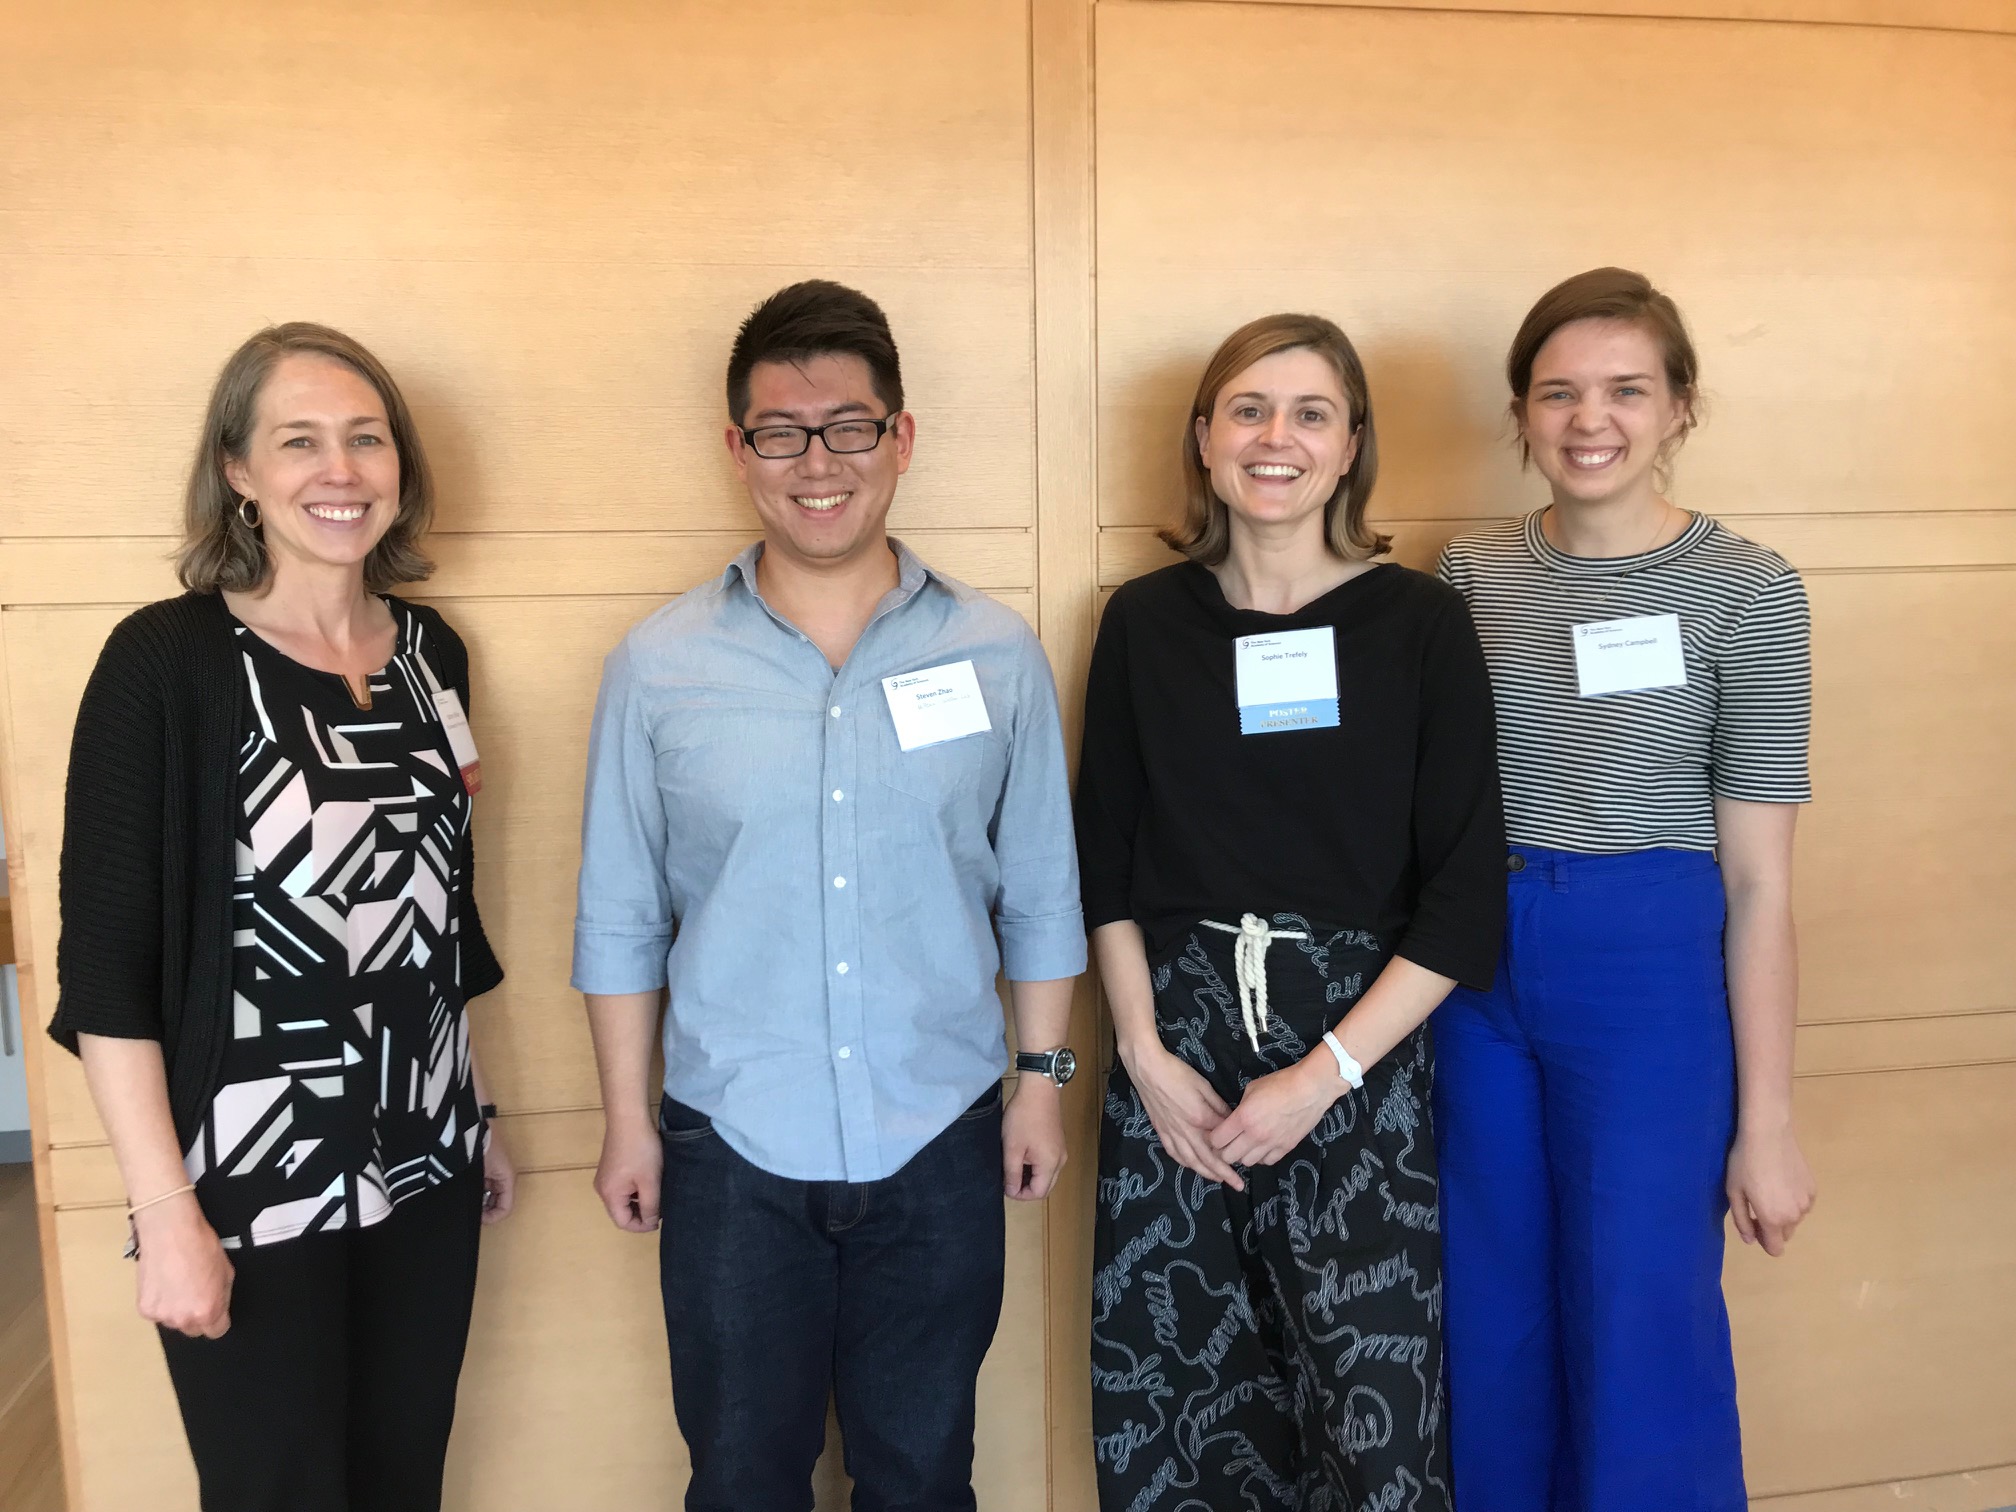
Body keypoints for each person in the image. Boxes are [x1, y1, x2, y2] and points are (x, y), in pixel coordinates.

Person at [573, 279, 1085, 1512]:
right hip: (733, 1148)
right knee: (743, 1479)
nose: (820, 462)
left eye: (850, 426)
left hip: (944, 1134)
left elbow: (1044, 896)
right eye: (782, 432)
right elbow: (621, 913)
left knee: (922, 1478)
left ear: (900, 441)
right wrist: (630, 1122)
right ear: (737, 450)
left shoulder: (997, 653)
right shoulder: (658, 665)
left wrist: (1041, 1087)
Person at [48, 322, 513, 1512]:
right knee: (281, 1492)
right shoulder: (167, 663)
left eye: (366, 439)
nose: (340, 471)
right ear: (239, 471)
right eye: (298, 441)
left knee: (405, 1478)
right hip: (251, 1171)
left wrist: (475, 1112)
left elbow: (439, 918)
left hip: (428, 1153)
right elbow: (106, 972)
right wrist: (164, 1211)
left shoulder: (432, 658)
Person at [1077, 312, 1504, 1512]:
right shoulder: (1145, 622)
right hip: (1176, 1062)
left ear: (1352, 443)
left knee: (1372, 1426)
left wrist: (1323, 1074)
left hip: (1361, 1059)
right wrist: (1145, 1057)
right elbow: (1101, 861)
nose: (1278, 437)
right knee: (1177, 1414)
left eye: (1311, 413)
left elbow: (1464, 898)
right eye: (1249, 410)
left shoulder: (1421, 625)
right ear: (1204, 439)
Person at [1434, 267, 1818, 1512]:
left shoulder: (1750, 589)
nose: (1588, 420)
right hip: (1476, 958)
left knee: (1640, 1301)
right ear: (1521, 413)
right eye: (1558, 393)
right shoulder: (1469, 576)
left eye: (1624, 391)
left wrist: (1768, 1122)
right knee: (1488, 1300)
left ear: (1680, 409)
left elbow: (1760, 883)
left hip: (1650, 963)